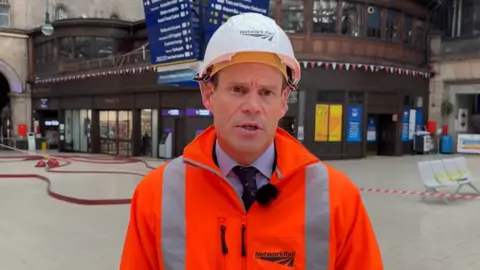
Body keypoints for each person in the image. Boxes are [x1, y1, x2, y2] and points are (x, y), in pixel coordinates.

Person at [120, 12, 383, 270]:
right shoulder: (157, 196)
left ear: (282, 102)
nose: (253, 106)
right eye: (238, 90)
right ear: (208, 94)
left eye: (267, 92)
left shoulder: (337, 199)